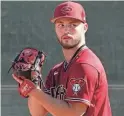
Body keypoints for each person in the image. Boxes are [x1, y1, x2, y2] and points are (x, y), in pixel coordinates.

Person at [12, 1, 112, 116]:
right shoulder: (57, 71)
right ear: (55, 28)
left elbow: (73, 113)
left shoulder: (85, 65)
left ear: (85, 27)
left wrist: (34, 91)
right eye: (61, 25)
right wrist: (33, 84)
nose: (66, 30)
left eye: (73, 24)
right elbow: (38, 112)